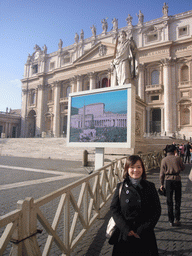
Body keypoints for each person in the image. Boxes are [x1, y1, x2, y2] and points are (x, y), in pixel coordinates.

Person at [110, 155, 161, 255]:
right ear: (127, 169)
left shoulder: (150, 186)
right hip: (125, 234)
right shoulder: (120, 187)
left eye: (138, 167)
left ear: (143, 168)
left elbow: (156, 210)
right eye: (132, 167)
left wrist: (143, 229)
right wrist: (125, 229)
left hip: (144, 234)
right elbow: (114, 209)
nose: (135, 170)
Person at [160, 144, 185, 226]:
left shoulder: (164, 160)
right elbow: (183, 168)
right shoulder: (178, 158)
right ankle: (177, 218)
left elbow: (161, 174)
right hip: (177, 180)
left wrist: (161, 184)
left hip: (168, 181)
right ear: (174, 151)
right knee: (178, 200)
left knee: (169, 201)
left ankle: (171, 220)